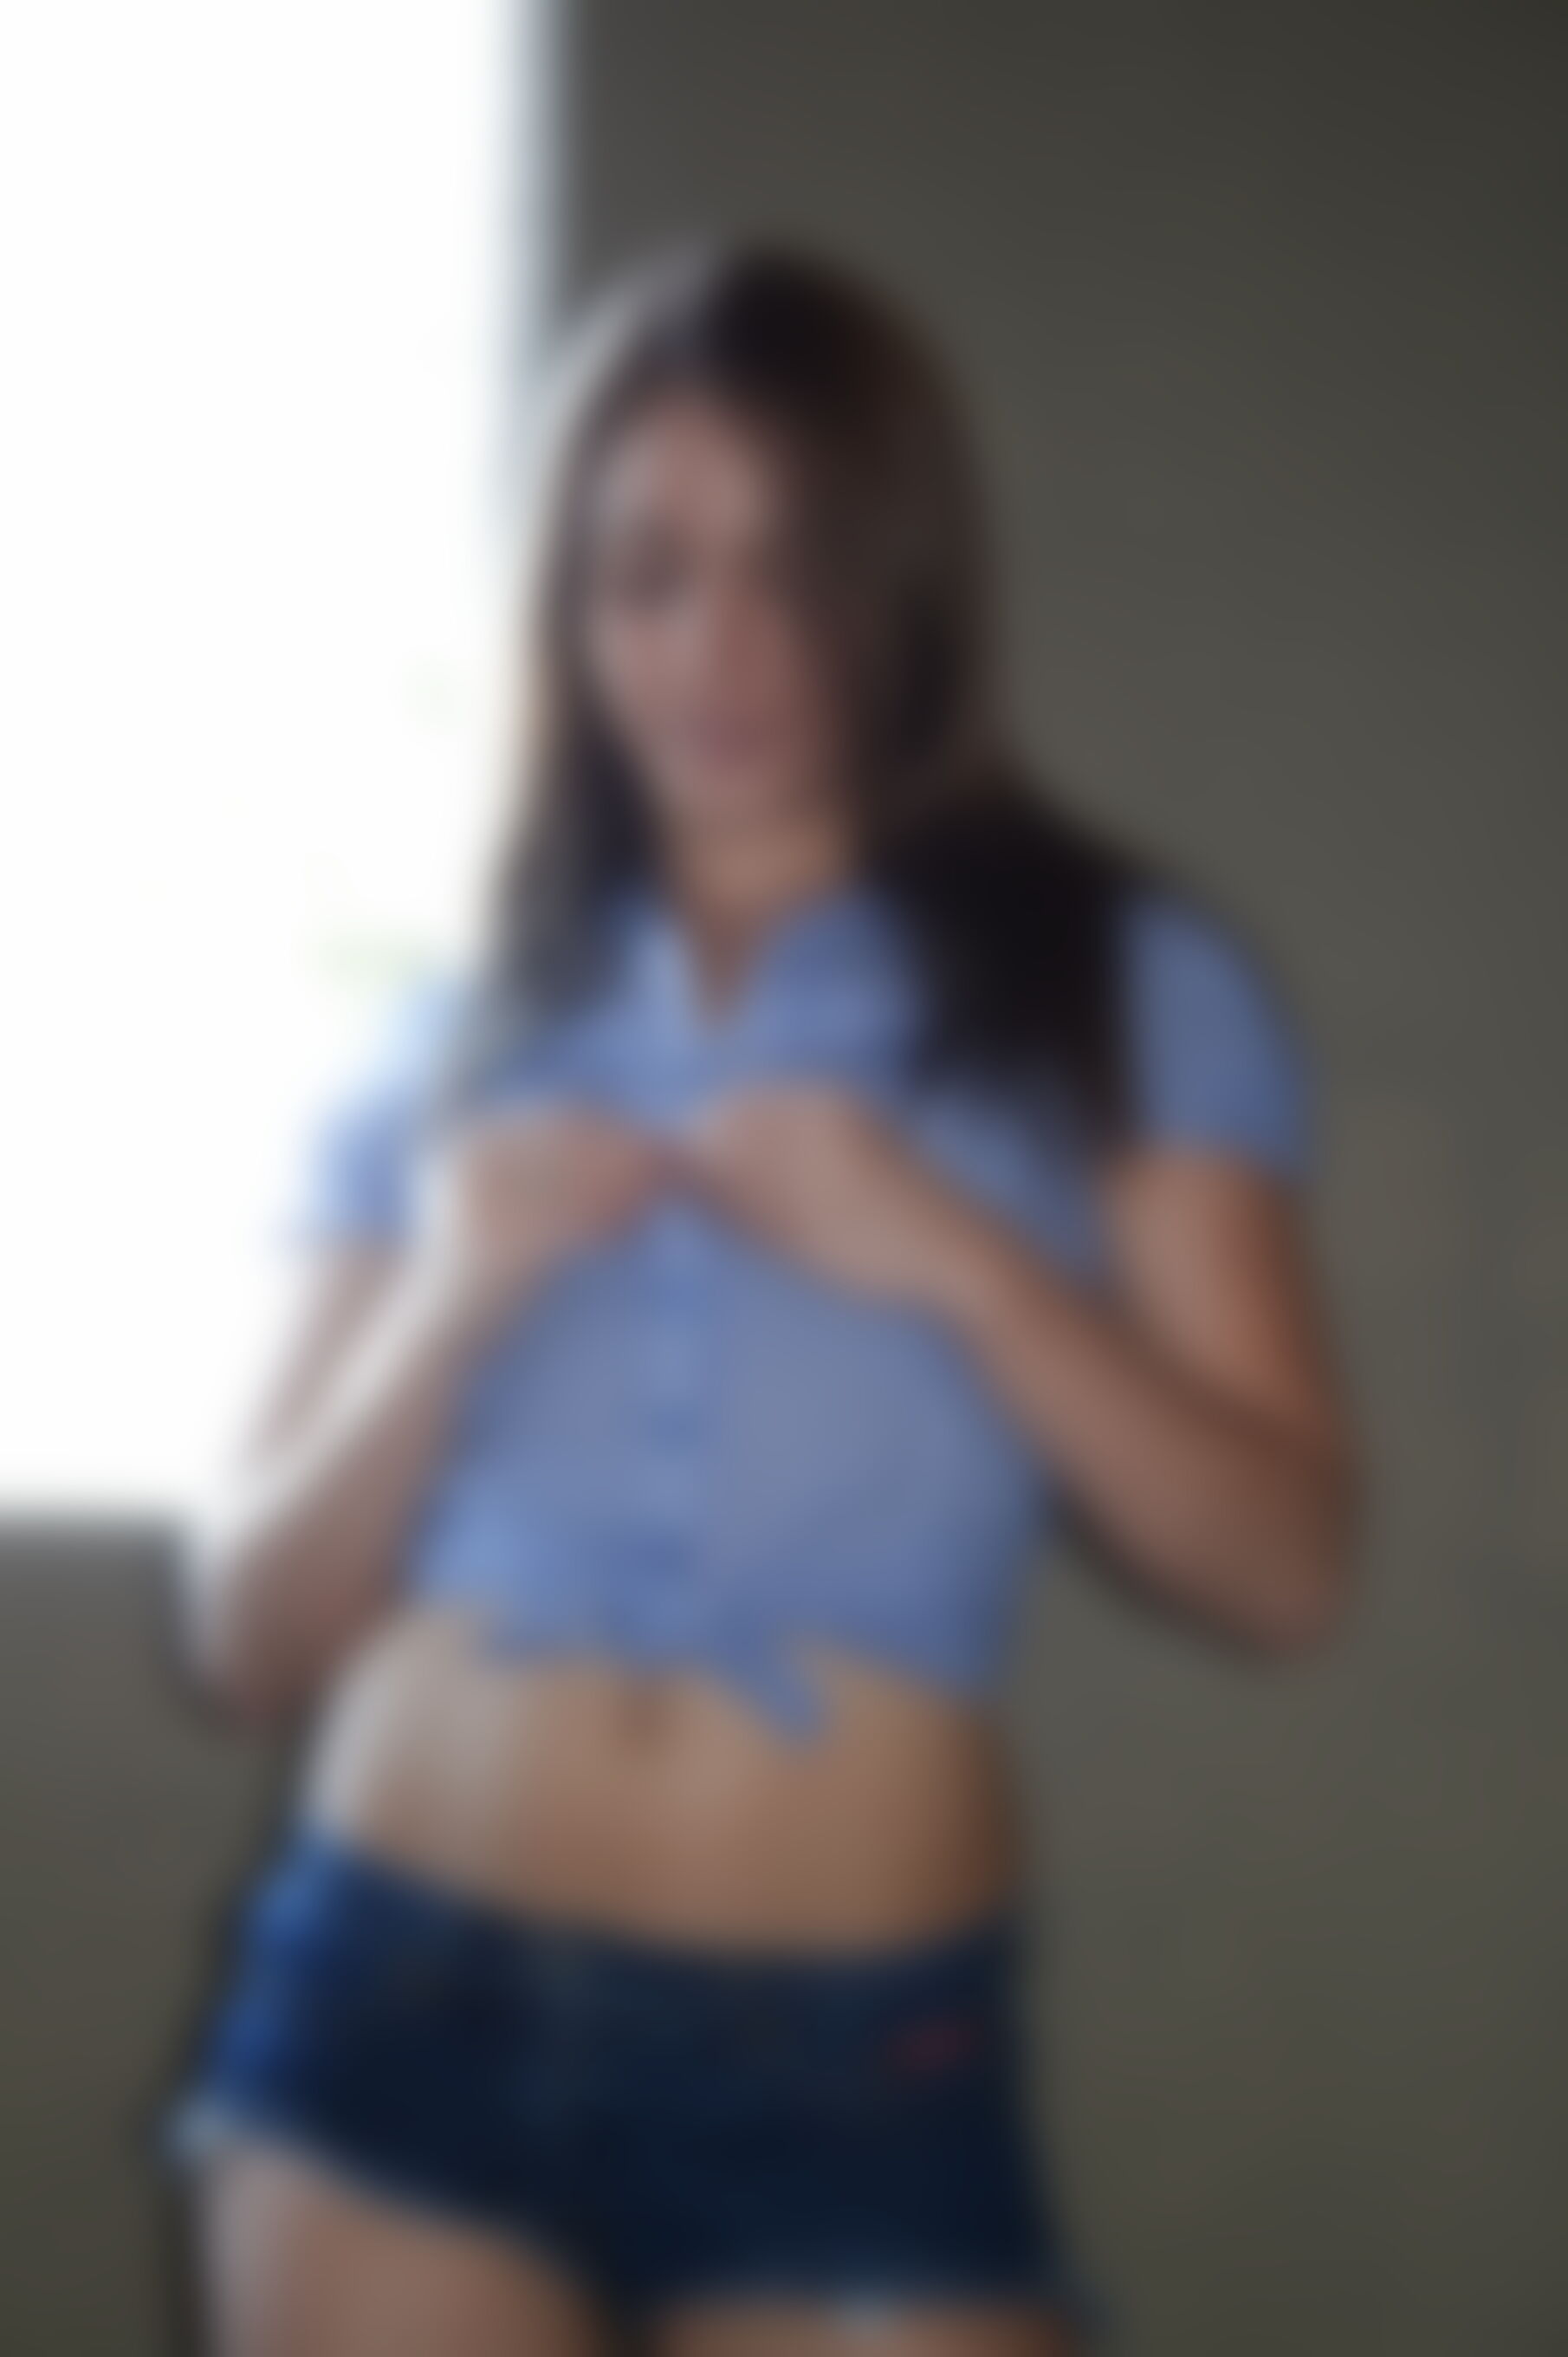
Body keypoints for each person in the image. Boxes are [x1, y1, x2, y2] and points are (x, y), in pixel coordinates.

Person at [165, 242, 1359, 2356]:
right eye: (645, 574)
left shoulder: (1116, 983)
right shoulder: (440, 1039)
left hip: (847, 2066)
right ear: (568, 615)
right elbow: (242, 1632)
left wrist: (961, 1257)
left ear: (907, 587)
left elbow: (1282, 1568)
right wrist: (448, 1299)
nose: (719, 646)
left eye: (796, 569)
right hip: (390, 2012)